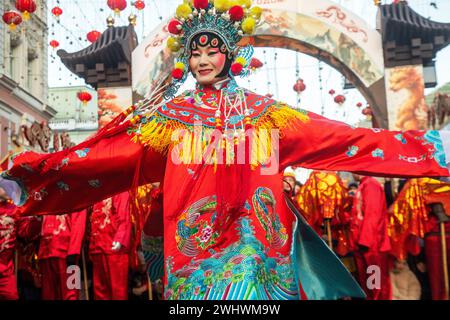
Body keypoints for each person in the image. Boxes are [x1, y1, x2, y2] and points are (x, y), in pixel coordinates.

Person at [0, 0, 449, 300]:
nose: (203, 60)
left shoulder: (266, 115)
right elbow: (106, 157)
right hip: (194, 258)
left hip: (258, 253)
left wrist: (433, 150)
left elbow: (346, 140)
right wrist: (36, 174)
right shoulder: (168, 121)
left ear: (229, 55)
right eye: (196, 52)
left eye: (213, 50)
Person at [351, 174, 392, 300]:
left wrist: (365, 241)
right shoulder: (364, 185)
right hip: (364, 245)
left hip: (372, 246)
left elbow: (373, 214)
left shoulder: (371, 185)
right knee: (368, 285)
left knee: (376, 285)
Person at [88, 191, 132, 300]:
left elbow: (124, 215)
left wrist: (120, 238)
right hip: (97, 246)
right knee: (100, 291)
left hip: (113, 247)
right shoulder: (96, 191)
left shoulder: (119, 188)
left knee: (118, 292)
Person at [0, 187, 41, 300]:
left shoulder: (15, 210)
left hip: (6, 272)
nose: (11, 190)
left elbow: (26, 233)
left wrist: (37, 217)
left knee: (12, 296)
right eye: (6, 186)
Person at [38, 210, 86, 300]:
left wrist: (74, 251)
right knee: (48, 295)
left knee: (71, 293)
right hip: (46, 251)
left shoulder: (77, 197)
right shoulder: (45, 197)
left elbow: (79, 223)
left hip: (67, 253)